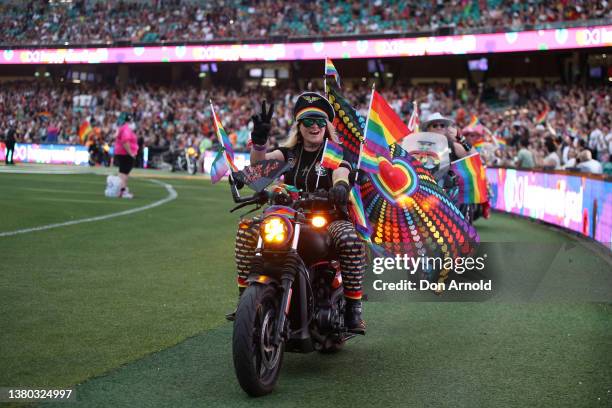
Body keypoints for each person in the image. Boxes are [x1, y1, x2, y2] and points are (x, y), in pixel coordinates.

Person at [228, 92, 367, 333]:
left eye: (321, 121)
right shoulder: (289, 155)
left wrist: (341, 187)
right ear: (299, 126)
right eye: (309, 121)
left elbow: (341, 173)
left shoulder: (333, 153)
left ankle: (353, 308)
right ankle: (245, 300)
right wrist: (259, 143)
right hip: (290, 218)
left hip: (326, 219)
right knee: (247, 230)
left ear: (327, 127)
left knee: (349, 239)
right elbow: (259, 168)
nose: (315, 126)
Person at [113, 115, 139, 198]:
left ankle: (119, 190)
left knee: (122, 172)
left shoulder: (123, 128)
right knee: (124, 173)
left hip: (122, 153)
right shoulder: (126, 129)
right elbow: (125, 141)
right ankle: (122, 191)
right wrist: (130, 153)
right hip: (125, 153)